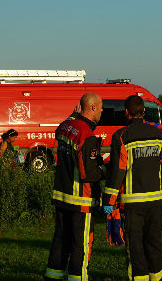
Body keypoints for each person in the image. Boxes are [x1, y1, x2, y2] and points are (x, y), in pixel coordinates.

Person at [103, 94, 162, 281]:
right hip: (155, 202)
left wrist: (109, 200)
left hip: (132, 204)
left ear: (126, 113)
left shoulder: (121, 136)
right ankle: (156, 278)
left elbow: (118, 171)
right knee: (154, 243)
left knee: (135, 247)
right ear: (144, 111)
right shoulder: (159, 135)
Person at [45, 93, 108, 281]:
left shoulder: (66, 127)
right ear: (93, 108)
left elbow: (58, 131)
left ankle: (52, 276)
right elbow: (87, 174)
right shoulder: (86, 134)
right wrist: (106, 170)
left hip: (61, 197)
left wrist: (73, 115)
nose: (103, 110)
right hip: (81, 200)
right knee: (80, 245)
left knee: (60, 241)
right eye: (101, 106)